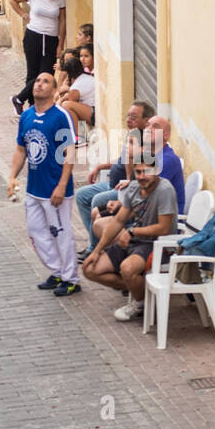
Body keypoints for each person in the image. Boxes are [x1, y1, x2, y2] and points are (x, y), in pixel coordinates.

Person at [7, 70, 80, 297]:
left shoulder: (60, 116)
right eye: (37, 81)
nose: (39, 84)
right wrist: (12, 176)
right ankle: (57, 271)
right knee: (36, 231)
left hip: (55, 189)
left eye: (45, 81)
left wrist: (61, 185)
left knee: (61, 232)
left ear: (55, 90)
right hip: (34, 188)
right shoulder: (27, 116)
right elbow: (22, 149)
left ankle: (71, 279)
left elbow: (69, 153)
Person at [83, 158, 178, 321]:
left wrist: (132, 232)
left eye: (146, 171)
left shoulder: (165, 190)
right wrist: (96, 251)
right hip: (136, 241)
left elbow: (164, 228)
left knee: (127, 269)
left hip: (158, 245)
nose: (142, 176)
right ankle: (142, 290)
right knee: (90, 269)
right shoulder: (134, 188)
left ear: (156, 172)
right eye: (138, 172)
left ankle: (139, 303)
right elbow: (118, 221)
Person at [75, 100, 155, 255]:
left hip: (125, 188)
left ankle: (94, 248)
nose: (128, 120)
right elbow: (120, 159)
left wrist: (129, 171)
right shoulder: (132, 136)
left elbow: (136, 176)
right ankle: (98, 241)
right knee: (81, 194)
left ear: (146, 121)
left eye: (134, 117)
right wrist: (100, 167)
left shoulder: (146, 142)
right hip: (114, 183)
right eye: (128, 116)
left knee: (97, 200)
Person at [9, 0, 66, 113]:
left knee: (46, 74)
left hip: (51, 39)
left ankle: (18, 98)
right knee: (32, 73)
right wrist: (24, 15)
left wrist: (60, 44)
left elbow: (63, 21)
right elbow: (13, 0)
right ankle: (33, 106)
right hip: (33, 36)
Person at [142, 116, 185, 214]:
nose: (148, 129)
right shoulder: (148, 155)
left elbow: (144, 192)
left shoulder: (169, 160)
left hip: (162, 220)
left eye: (155, 127)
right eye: (147, 126)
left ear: (166, 136)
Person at [59, 52, 96, 129]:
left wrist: (61, 99)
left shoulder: (77, 85)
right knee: (73, 108)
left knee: (67, 105)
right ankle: (81, 137)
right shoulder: (84, 77)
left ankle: (78, 136)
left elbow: (69, 99)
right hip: (91, 110)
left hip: (94, 112)